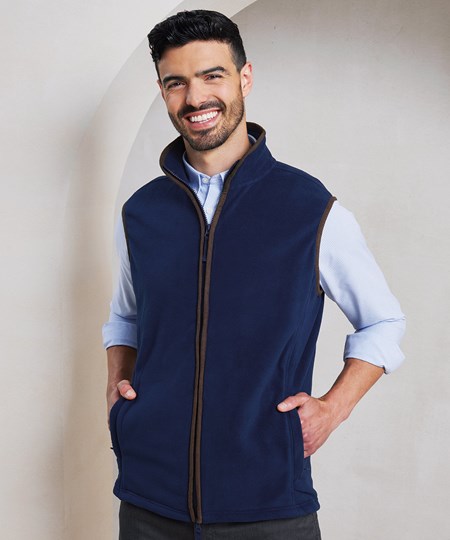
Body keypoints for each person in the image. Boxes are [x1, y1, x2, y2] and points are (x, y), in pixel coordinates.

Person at [103, 9, 405, 540]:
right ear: (163, 92)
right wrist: (117, 397)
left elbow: (383, 322)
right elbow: (127, 317)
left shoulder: (310, 209)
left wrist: (332, 409)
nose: (195, 98)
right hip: (149, 502)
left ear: (244, 77)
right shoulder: (141, 213)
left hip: (269, 506)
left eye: (212, 75)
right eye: (177, 83)